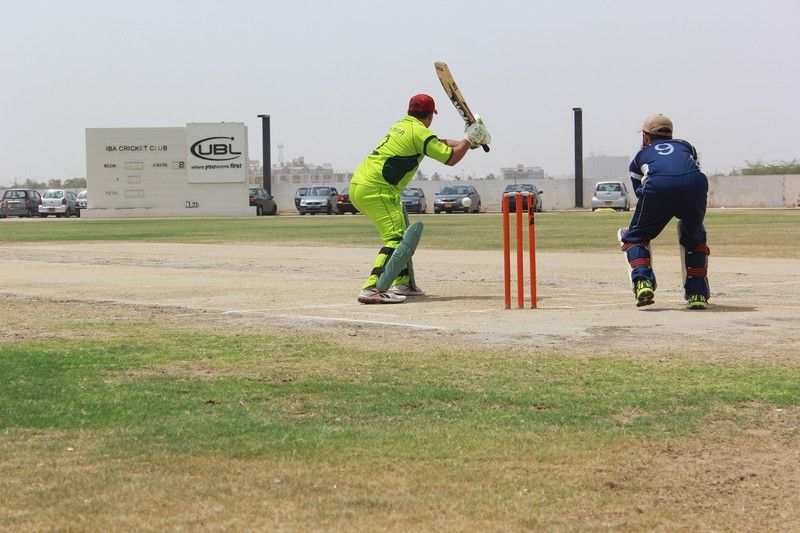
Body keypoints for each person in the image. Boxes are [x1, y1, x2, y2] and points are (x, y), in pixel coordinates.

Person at [349, 93, 490, 304]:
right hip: (377, 189)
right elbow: (451, 158)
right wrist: (469, 140)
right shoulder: (420, 133)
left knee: (403, 235)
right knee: (397, 239)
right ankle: (373, 288)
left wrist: (468, 142)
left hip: (360, 184)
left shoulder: (403, 126)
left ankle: (403, 283)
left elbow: (438, 143)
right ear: (431, 116)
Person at [620, 113, 710, 309]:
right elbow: (692, 168)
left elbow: (640, 193)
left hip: (657, 188)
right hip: (695, 185)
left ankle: (643, 281)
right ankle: (697, 294)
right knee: (694, 236)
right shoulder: (686, 146)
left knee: (634, 237)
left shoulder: (639, 157)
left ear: (645, 136)